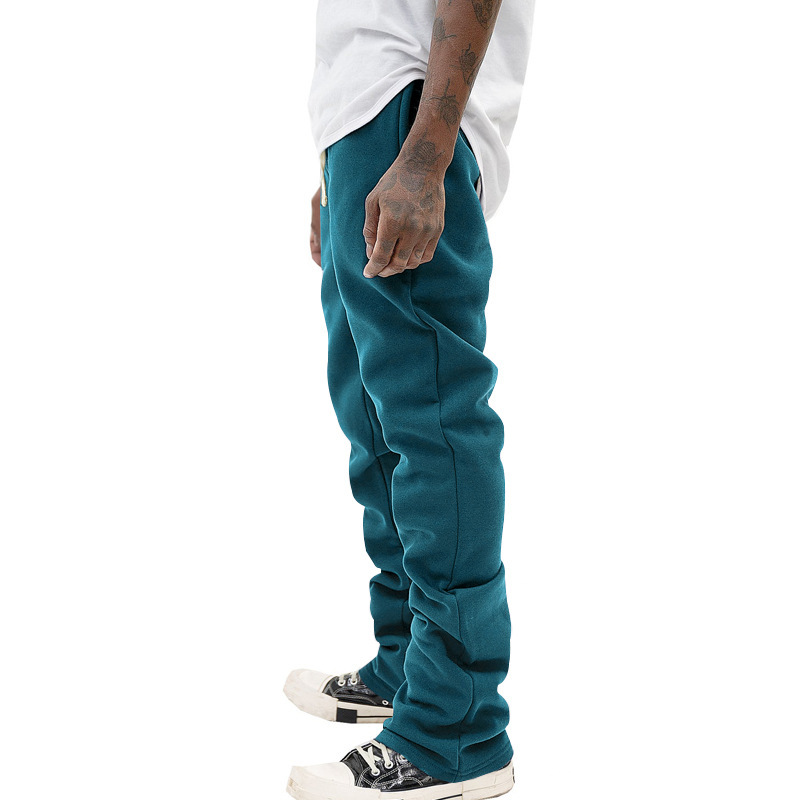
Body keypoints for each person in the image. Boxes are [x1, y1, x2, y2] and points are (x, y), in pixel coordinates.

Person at [284, 2, 534, 797]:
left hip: (411, 109)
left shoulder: (417, 125)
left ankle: (454, 730)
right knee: (373, 415)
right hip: (368, 120)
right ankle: (407, 662)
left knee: (433, 421)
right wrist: (337, 163)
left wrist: (424, 152)